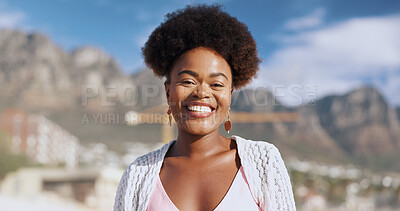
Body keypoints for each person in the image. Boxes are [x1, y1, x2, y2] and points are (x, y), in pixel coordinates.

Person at [114, 4, 295, 211]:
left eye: (216, 84)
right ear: (167, 92)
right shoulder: (137, 175)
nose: (201, 93)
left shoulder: (264, 164)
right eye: (188, 81)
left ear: (230, 96)